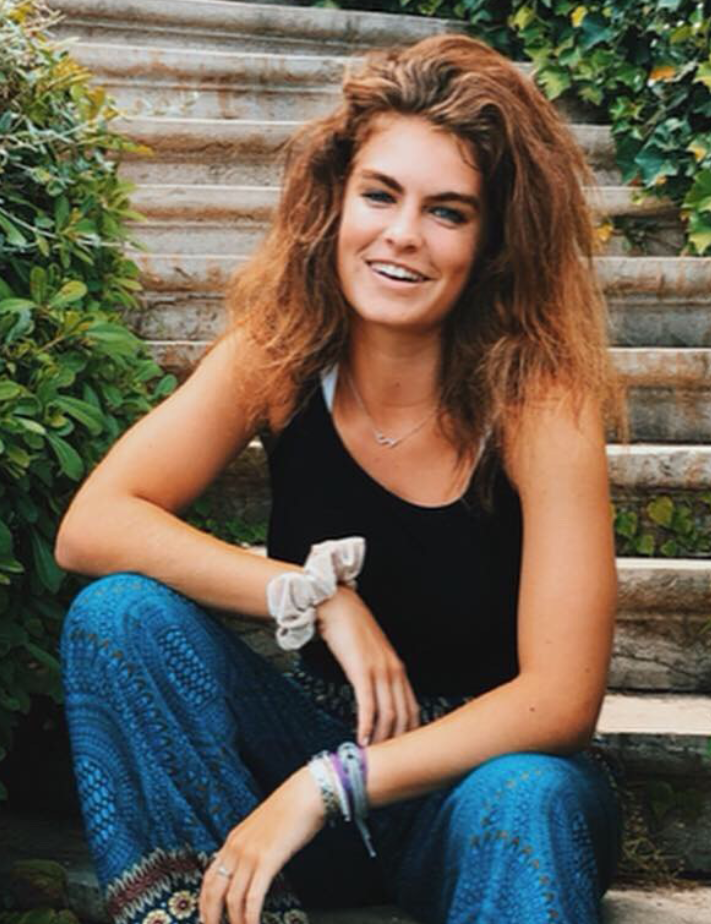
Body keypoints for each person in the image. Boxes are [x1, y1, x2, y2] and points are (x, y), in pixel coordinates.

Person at [54, 34, 625, 924]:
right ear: (337, 199)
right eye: (381, 195)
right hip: (310, 740)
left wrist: (326, 785)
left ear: (494, 241)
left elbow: (560, 699)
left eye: (448, 211)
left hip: (473, 788)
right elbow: (94, 525)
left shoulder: (540, 399)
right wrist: (315, 596)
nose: (402, 236)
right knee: (118, 618)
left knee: (531, 796)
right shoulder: (281, 354)